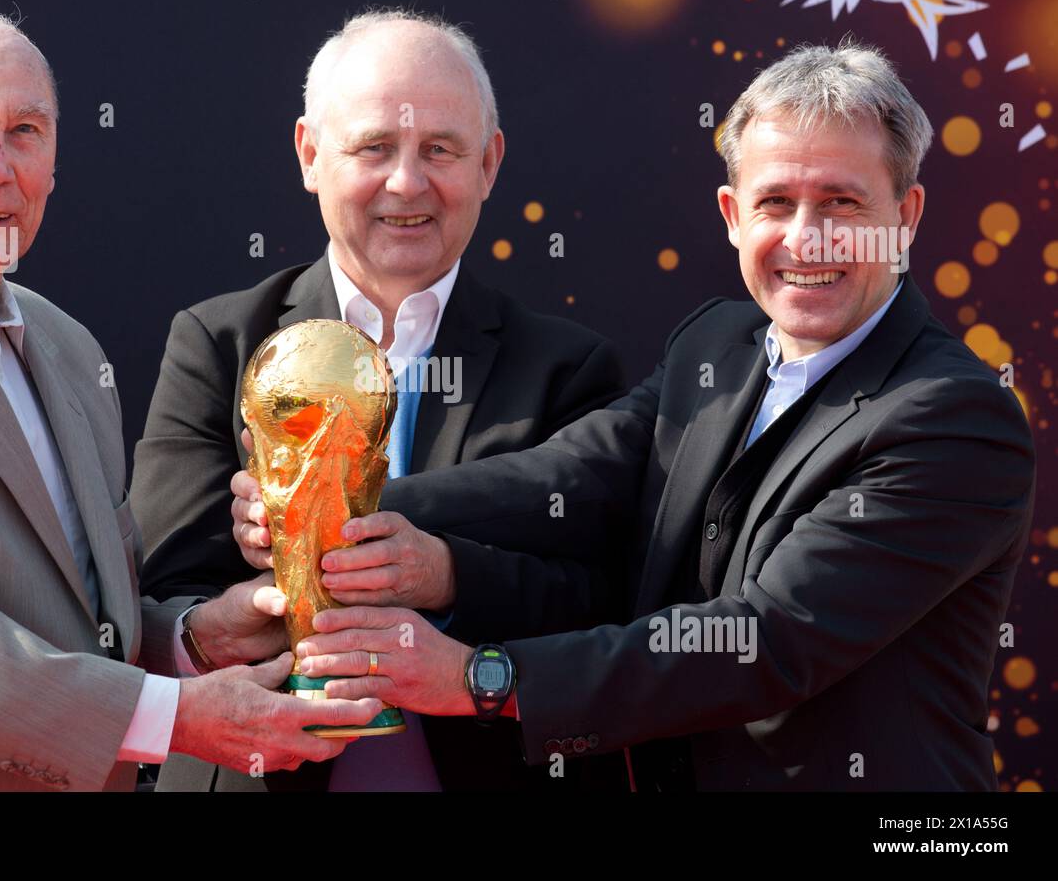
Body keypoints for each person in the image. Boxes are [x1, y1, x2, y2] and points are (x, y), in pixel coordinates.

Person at [232, 42, 1037, 790]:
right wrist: (329, 497)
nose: (806, 237)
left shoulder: (954, 420)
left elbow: (762, 641)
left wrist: (482, 676)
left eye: (843, 202)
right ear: (730, 214)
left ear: (908, 216)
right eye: (776, 202)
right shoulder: (715, 342)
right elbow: (567, 476)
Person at [0, 9, 379, 792]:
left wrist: (196, 641)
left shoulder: (68, 349)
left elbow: (77, 621)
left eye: (26, 130)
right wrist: (180, 717)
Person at [132, 9, 629, 791]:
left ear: (490, 164)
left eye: (440, 149)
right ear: (310, 154)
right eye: (374, 148)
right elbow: (159, 590)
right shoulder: (219, 345)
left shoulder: (569, 367)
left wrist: (447, 574)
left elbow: (601, 601)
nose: (407, 181)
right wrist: (246, 605)